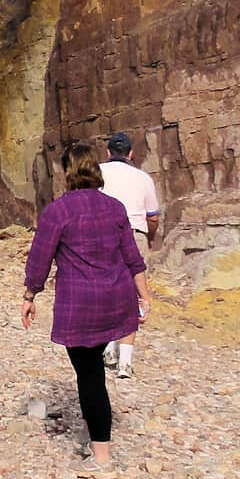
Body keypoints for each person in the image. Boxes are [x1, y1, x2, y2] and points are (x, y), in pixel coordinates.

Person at [22, 140, 151, 477]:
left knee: (90, 376)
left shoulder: (58, 211)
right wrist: (145, 297)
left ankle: (102, 459)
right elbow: (133, 259)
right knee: (93, 374)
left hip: (79, 304)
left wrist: (29, 295)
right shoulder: (115, 208)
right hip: (116, 298)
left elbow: (40, 259)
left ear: (68, 171)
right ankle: (99, 438)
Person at [100, 130, 161, 377]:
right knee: (132, 295)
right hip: (135, 233)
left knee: (105, 290)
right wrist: (150, 236)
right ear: (131, 154)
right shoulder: (143, 178)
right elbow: (153, 215)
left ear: (107, 152)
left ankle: (107, 348)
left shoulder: (97, 172)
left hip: (102, 234)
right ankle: (125, 361)